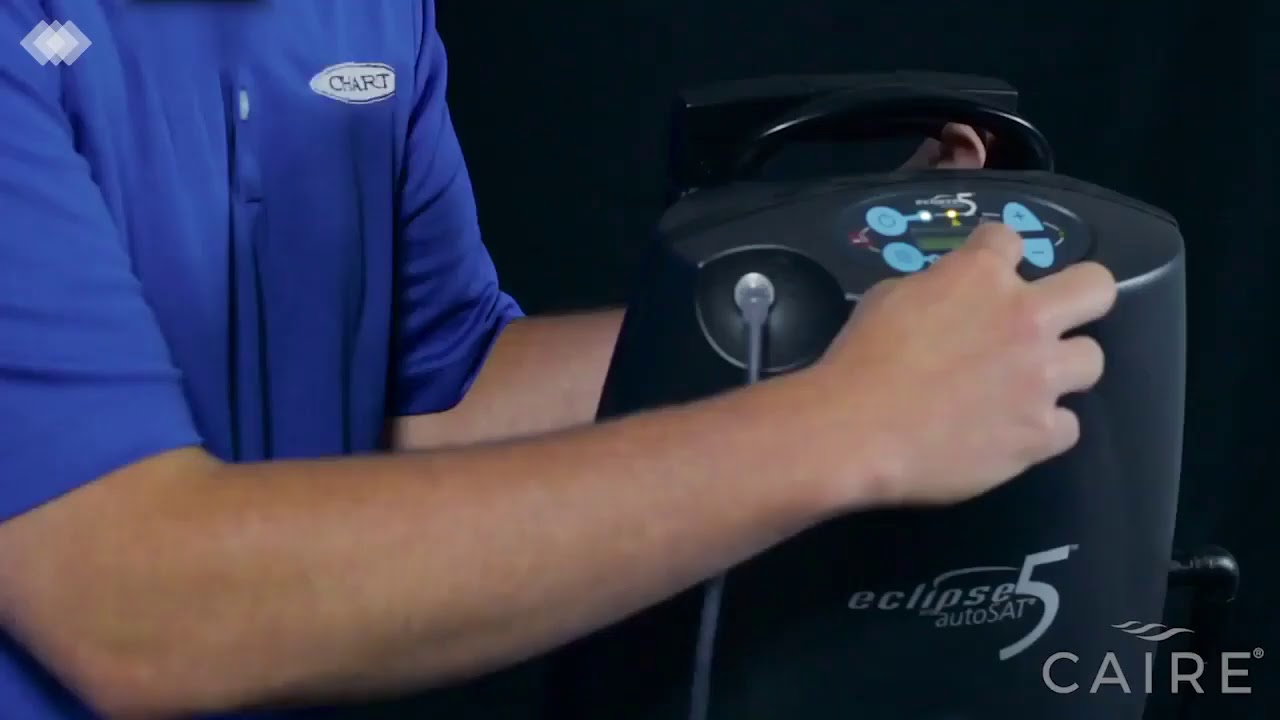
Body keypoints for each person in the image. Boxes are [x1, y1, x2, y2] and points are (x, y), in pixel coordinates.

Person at [0, 1, 1116, 717]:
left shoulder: (367, 17)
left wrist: (842, 300)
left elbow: (439, 395)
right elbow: (132, 604)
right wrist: (848, 424)